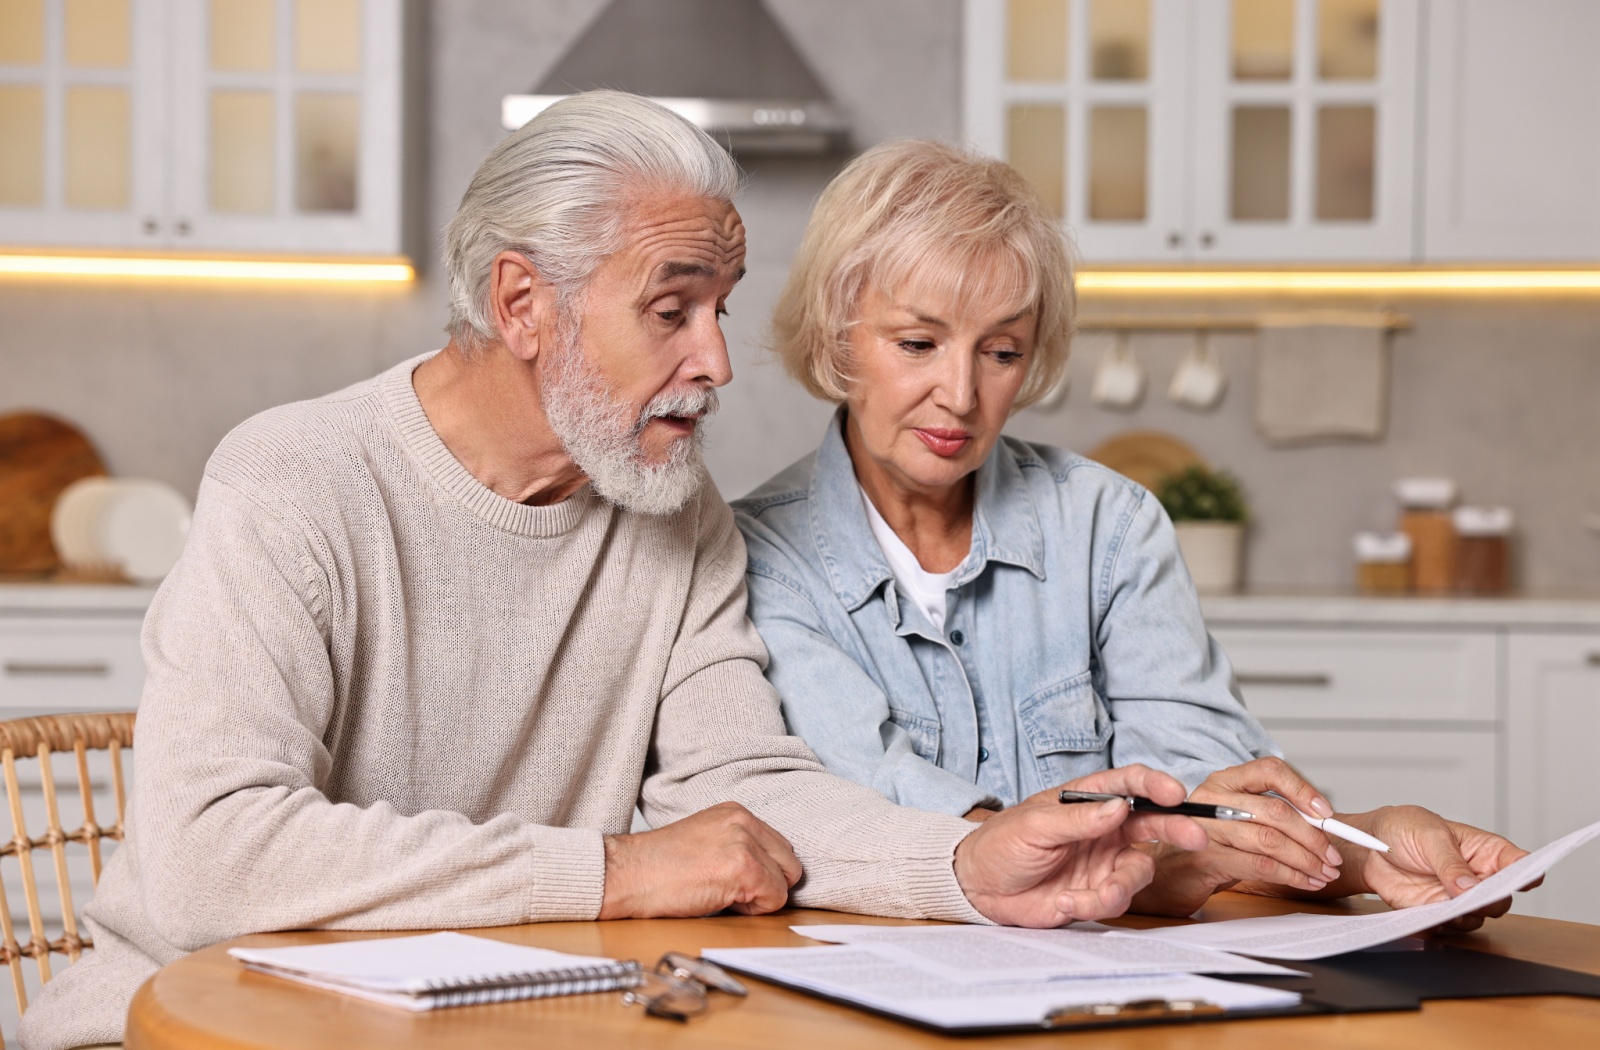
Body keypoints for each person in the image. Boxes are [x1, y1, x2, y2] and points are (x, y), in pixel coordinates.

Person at [20, 95, 1216, 1050]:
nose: (717, 361)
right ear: (524, 304)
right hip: (180, 1026)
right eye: (672, 310)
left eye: (721, 308)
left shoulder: (673, 511)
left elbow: (746, 785)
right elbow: (210, 855)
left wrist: (964, 866)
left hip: (491, 1022)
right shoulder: (294, 481)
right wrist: (613, 872)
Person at [731, 139, 1531, 923]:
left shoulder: (1108, 524)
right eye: (918, 343)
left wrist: (1367, 848)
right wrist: (1126, 854)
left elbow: (1211, 807)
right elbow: (851, 804)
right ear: (839, 336)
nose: (961, 394)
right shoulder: (760, 557)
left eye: (1002, 352)